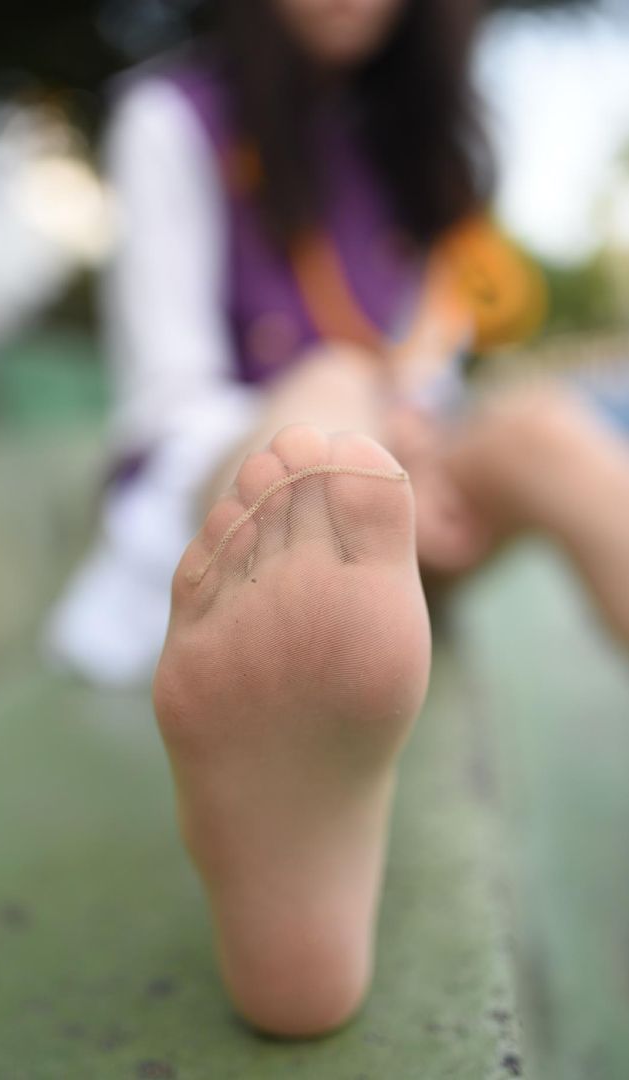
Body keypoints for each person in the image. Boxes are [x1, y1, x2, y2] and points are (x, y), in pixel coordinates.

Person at [44, 0, 629, 1037]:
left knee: (542, 429)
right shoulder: (174, 118)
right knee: (326, 404)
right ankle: (293, 843)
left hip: (392, 511)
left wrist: (412, 451)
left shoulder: (419, 146)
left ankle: (334, 614)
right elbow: (167, 398)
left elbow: (429, 370)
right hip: (221, 508)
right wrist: (347, 415)